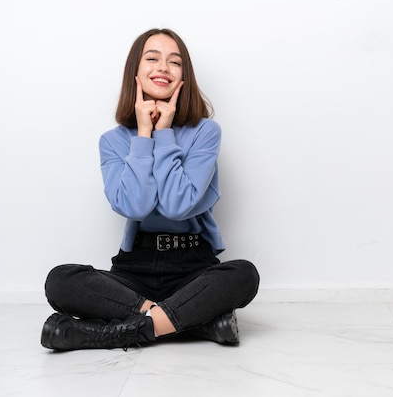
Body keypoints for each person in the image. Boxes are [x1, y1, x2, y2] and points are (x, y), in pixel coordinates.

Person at [41, 28, 260, 351]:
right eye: (152, 58)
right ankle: (193, 322)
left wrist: (165, 133)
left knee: (244, 275)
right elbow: (135, 207)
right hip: (134, 270)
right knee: (61, 280)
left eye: (175, 62)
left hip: (192, 266)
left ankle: (110, 333)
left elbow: (177, 206)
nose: (163, 68)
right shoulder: (113, 141)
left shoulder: (205, 132)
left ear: (184, 76)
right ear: (136, 72)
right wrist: (144, 135)